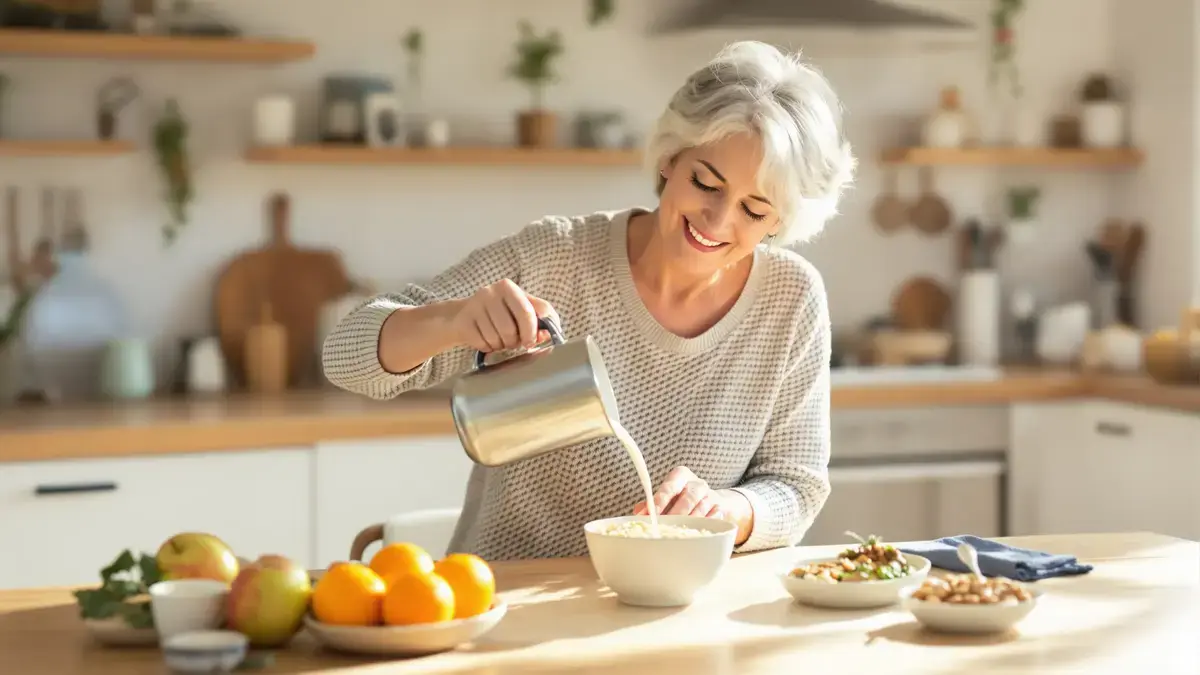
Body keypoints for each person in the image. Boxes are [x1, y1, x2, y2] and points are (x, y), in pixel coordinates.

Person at [322, 40, 856, 560]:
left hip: (677, 606)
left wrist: (731, 510)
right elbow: (345, 356)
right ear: (670, 158)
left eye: (754, 210)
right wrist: (453, 320)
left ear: (780, 221)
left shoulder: (791, 300)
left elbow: (797, 485)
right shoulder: (556, 258)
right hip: (510, 598)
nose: (718, 221)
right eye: (705, 183)